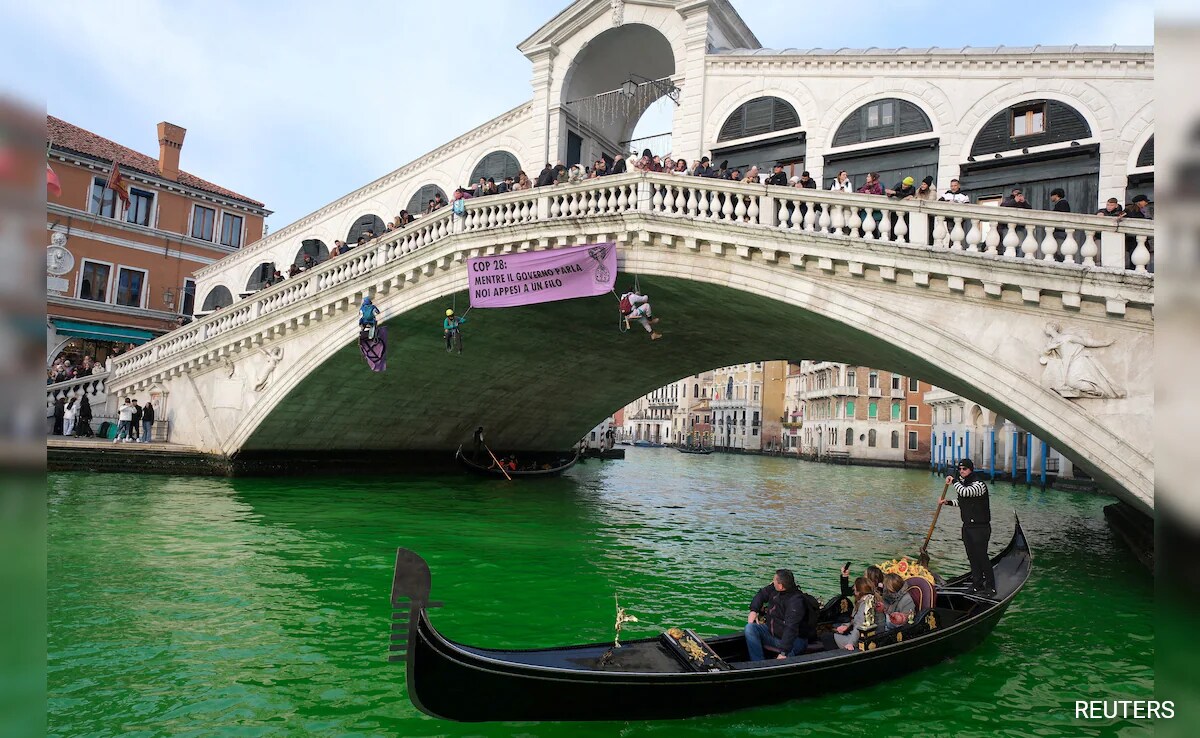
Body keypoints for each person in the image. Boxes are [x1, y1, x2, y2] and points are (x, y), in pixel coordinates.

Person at [940, 458, 995, 596]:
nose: (962, 471)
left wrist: (953, 480)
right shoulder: (964, 483)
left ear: (971, 470)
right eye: (960, 469)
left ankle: (991, 586)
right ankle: (977, 584)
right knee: (972, 557)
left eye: (964, 469)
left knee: (982, 556)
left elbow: (965, 492)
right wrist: (948, 502)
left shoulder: (979, 485)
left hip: (980, 528)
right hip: (968, 527)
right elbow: (962, 501)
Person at [744, 568, 810, 661]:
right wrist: (753, 611)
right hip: (773, 633)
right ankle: (758, 662)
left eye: (774, 580)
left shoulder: (796, 602)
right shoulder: (774, 589)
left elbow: (791, 628)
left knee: (789, 654)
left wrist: (783, 652)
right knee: (750, 628)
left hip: (793, 640)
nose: (772, 582)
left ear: (781, 586)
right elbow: (761, 594)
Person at [834, 577, 877, 650]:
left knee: (826, 638)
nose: (854, 592)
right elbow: (856, 620)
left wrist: (851, 643)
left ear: (859, 592)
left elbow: (859, 626)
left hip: (856, 641)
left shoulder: (865, 606)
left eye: (855, 590)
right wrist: (847, 626)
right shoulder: (866, 600)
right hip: (857, 636)